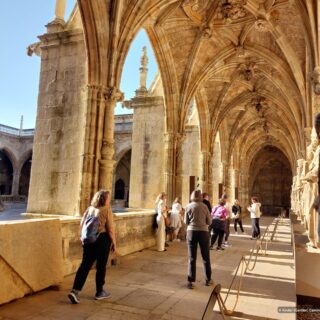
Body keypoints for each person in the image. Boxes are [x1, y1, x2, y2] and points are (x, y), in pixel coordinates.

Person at [68, 190, 116, 304]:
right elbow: (110, 229)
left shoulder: (90, 209)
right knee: (101, 266)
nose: (110, 199)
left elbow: (82, 223)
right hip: (102, 239)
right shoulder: (106, 209)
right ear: (104, 199)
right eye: (109, 198)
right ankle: (100, 292)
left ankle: (74, 291)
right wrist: (114, 242)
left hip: (89, 240)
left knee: (85, 265)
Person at [184, 190, 213, 289]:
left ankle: (190, 281)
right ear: (200, 197)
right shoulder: (204, 206)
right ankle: (208, 279)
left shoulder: (188, 206)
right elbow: (209, 221)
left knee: (192, 258)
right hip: (203, 232)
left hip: (191, 232)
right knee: (206, 257)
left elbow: (186, 221)